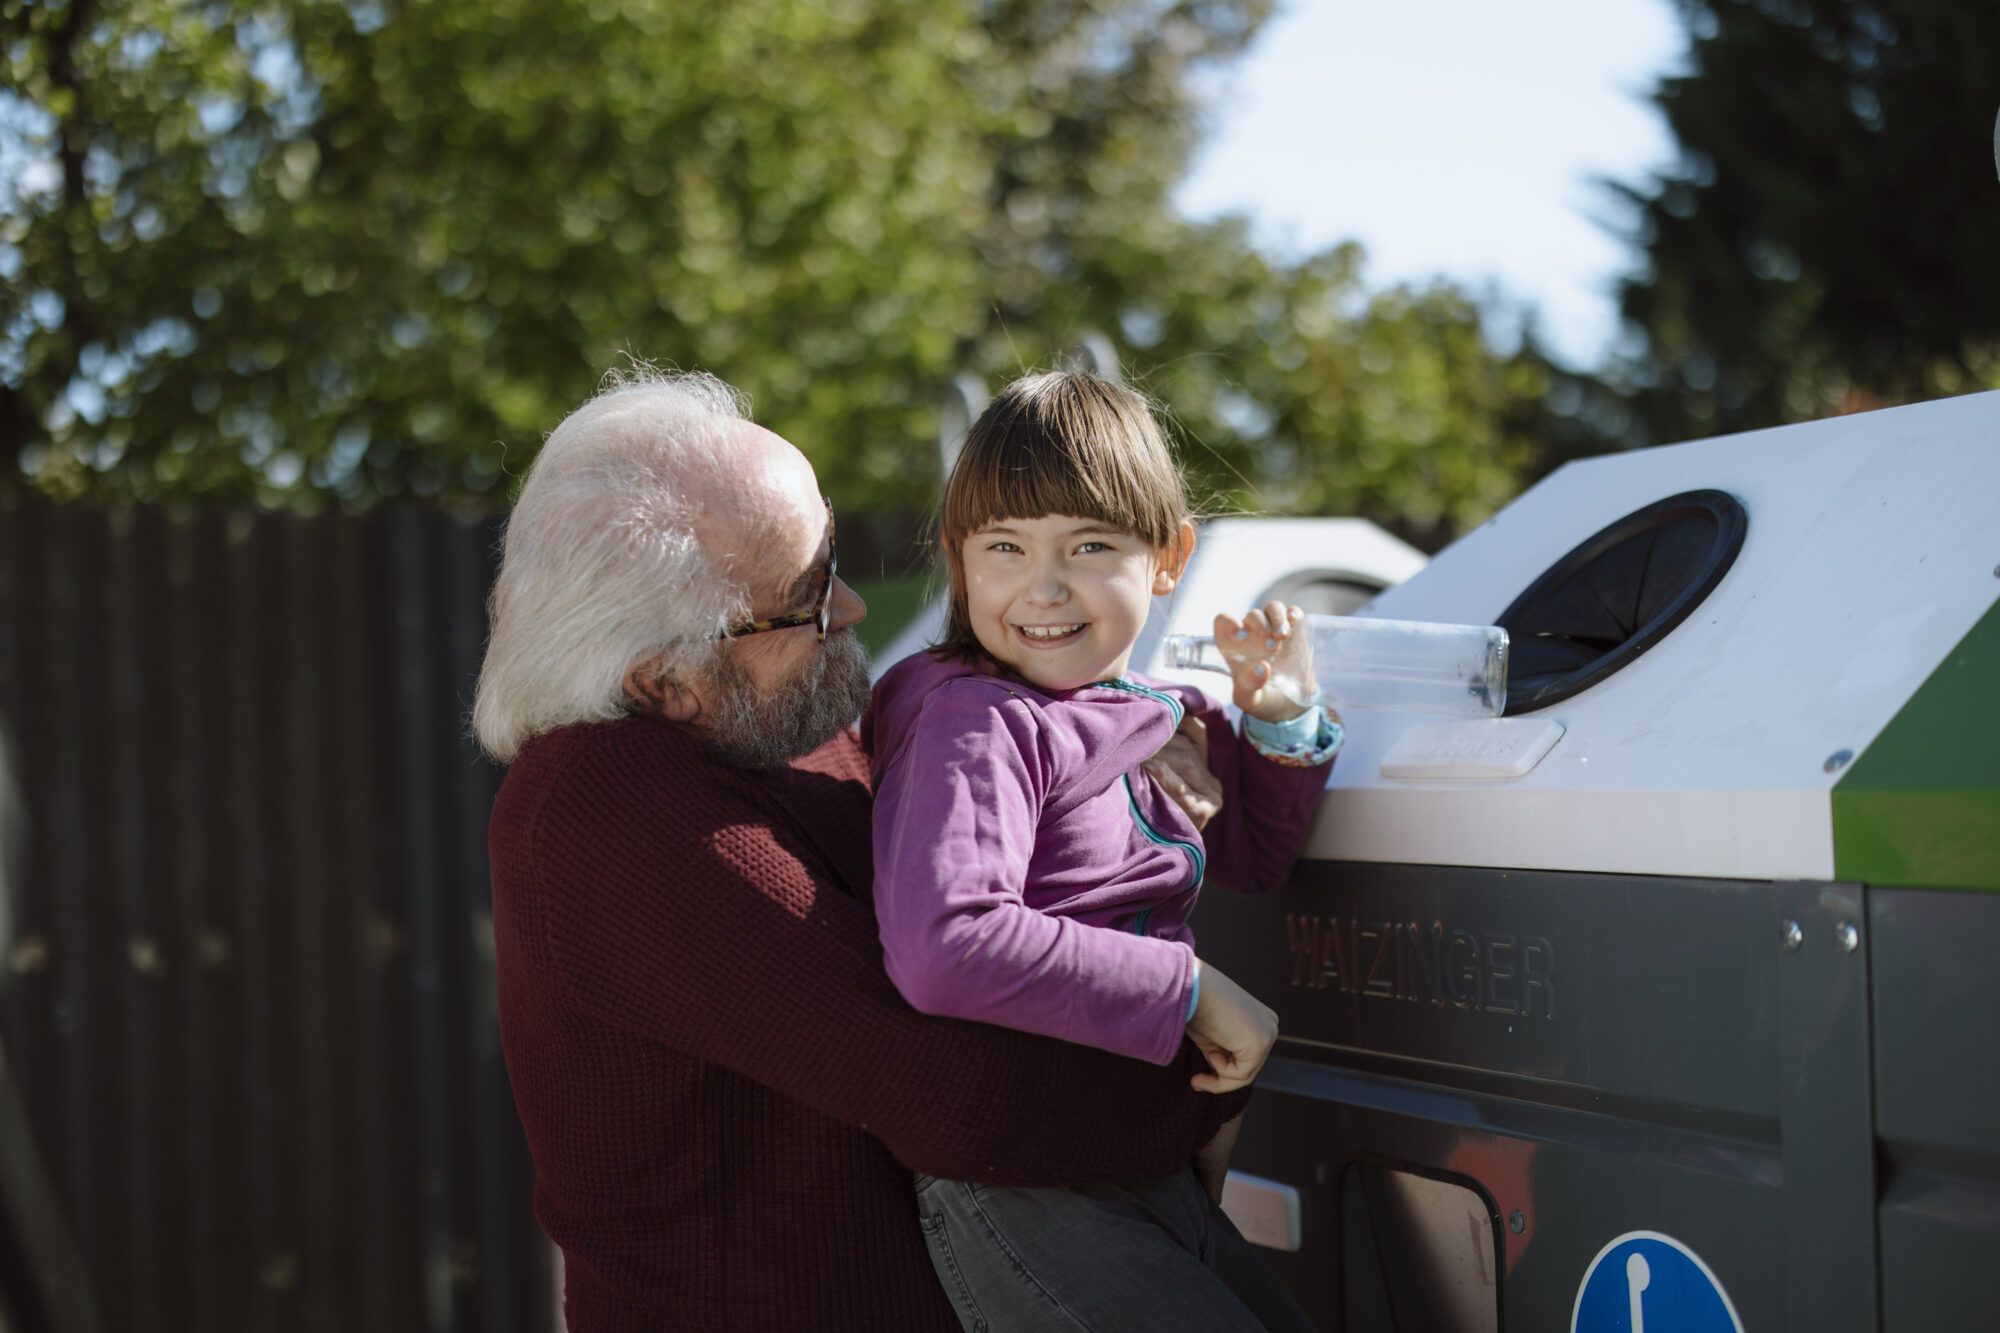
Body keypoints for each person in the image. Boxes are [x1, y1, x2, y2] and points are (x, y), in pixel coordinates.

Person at [473, 366, 1252, 1331]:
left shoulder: (784, 721)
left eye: (829, 554)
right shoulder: (603, 810)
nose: (849, 607)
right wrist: (1201, 1069)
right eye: (803, 597)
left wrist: (1144, 760)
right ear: (666, 678)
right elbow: (952, 1090)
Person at [864, 370, 1342, 1332]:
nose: (1043, 587)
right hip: (1023, 1175)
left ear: (1167, 556)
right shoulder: (976, 716)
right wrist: (1195, 992)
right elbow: (946, 940)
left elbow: (1249, 855)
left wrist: (1282, 724)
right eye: (1004, 547)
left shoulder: (1154, 716)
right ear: (960, 563)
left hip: (1136, 1161)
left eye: (1089, 545)